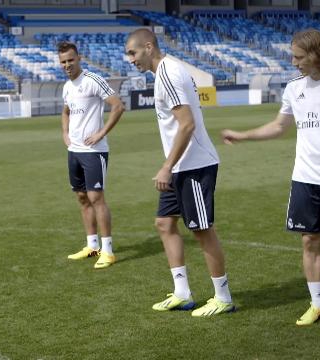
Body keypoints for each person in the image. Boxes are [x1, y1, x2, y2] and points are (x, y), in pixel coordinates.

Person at [222, 29, 320, 325]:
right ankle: (317, 304)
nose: (293, 62)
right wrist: (243, 135)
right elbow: (279, 126)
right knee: (309, 242)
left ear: (317, 54)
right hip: (304, 179)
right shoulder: (293, 88)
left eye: (298, 57)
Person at [125, 29, 235, 316]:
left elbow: (186, 124)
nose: (131, 60)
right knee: (164, 224)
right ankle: (182, 293)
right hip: (180, 166)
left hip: (194, 165)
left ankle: (223, 297)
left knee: (201, 230)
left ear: (148, 47)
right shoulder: (167, 71)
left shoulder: (168, 73)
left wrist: (166, 167)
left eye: (133, 53)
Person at [58, 41, 125, 269]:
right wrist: (65, 133)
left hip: (94, 152)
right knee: (82, 198)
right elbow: (66, 111)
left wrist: (101, 133)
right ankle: (92, 245)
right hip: (74, 151)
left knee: (97, 198)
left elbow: (118, 106)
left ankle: (107, 251)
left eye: (70, 60)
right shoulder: (67, 86)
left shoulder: (92, 80)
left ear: (79, 59)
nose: (67, 65)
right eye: (63, 62)